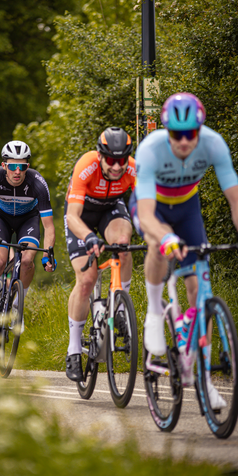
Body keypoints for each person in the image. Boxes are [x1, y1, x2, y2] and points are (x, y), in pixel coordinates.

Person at [130, 92, 238, 410]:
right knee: (157, 245)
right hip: (153, 207)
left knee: (200, 292)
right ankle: (155, 312)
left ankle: (204, 380)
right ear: (166, 130)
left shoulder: (213, 144)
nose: (185, 141)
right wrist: (165, 236)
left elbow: (237, 200)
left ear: (200, 130)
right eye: (177, 134)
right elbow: (146, 216)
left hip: (187, 208)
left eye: (191, 134)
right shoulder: (151, 149)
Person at [64, 127, 136, 382]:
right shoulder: (86, 165)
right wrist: (89, 237)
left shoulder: (131, 169)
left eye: (122, 160)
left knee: (124, 246)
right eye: (111, 160)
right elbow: (72, 216)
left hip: (111, 208)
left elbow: (147, 202)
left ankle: (120, 306)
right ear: (101, 155)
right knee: (86, 280)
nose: (117, 167)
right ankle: (74, 349)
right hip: (81, 214)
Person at [0, 140, 56, 346]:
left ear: (28, 167)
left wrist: (48, 253)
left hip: (27, 220)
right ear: (4, 166)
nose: (17, 171)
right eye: (12, 166)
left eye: (22, 166)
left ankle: (17, 308)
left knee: (28, 259)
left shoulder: (38, 183)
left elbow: (48, 227)